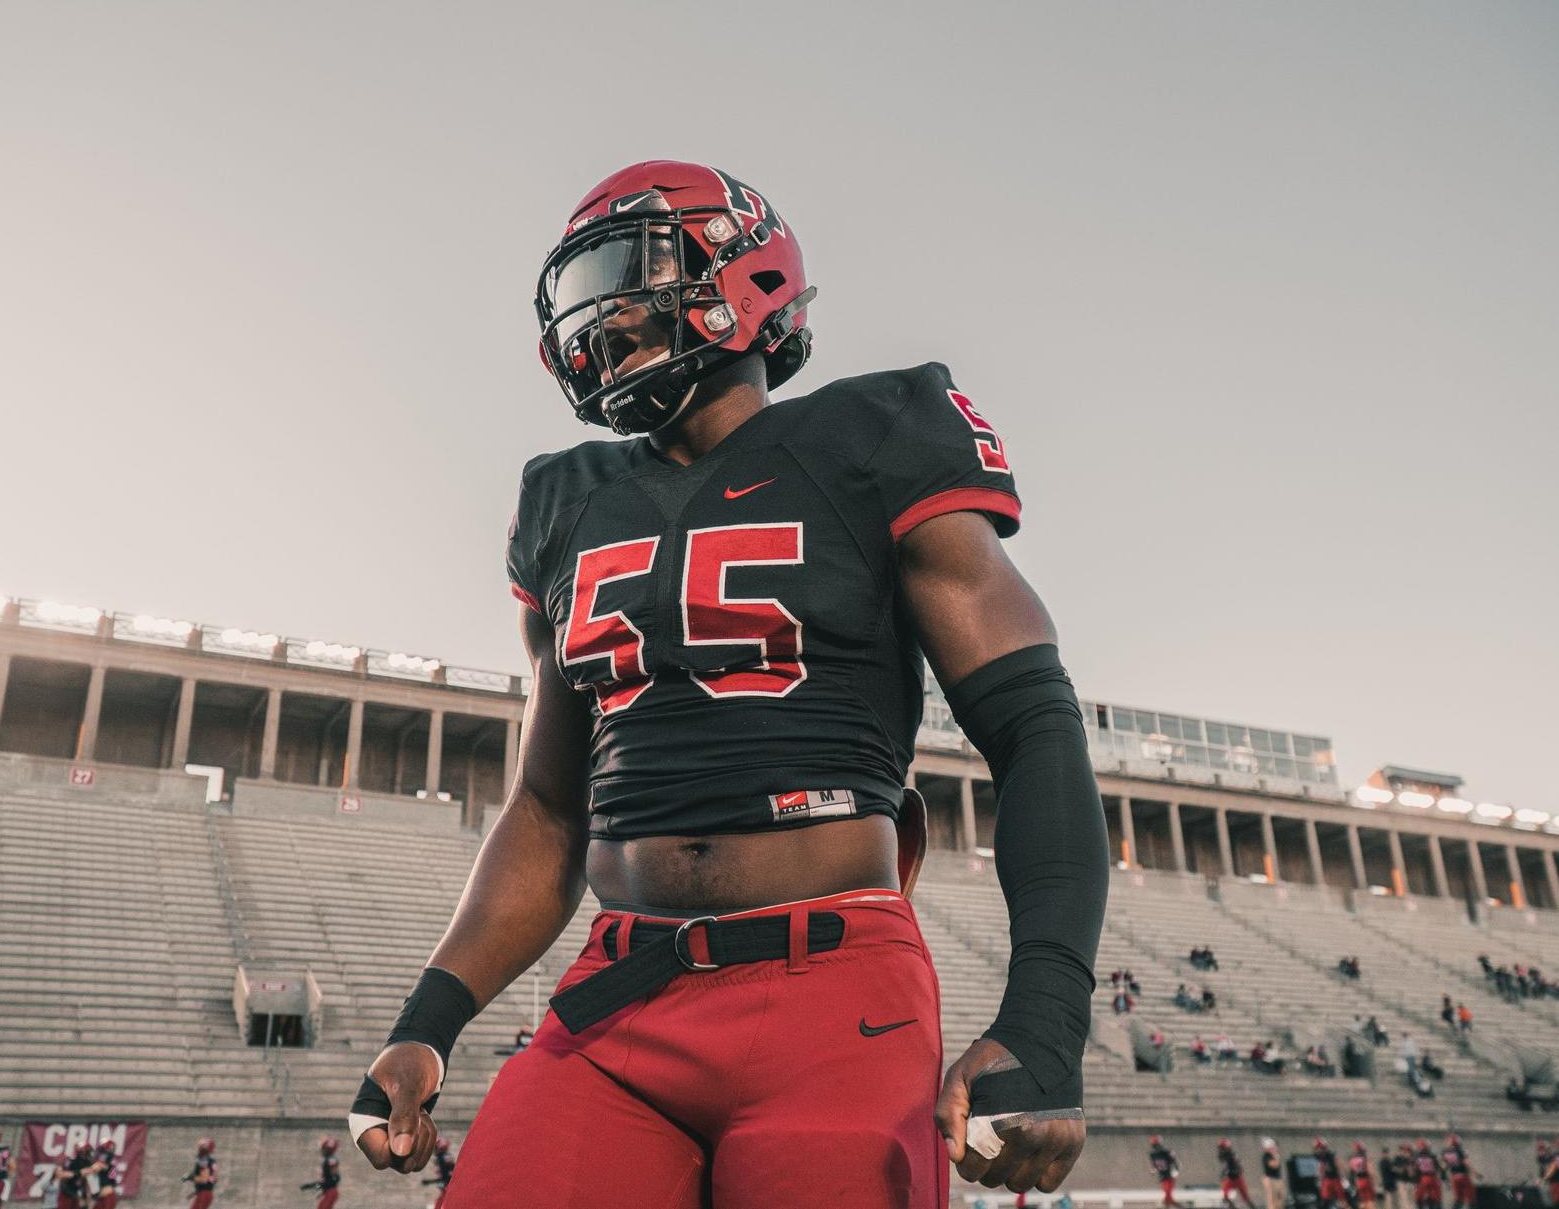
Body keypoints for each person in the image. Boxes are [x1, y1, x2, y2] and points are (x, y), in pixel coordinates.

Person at [346, 160, 1110, 1208]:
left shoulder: (876, 432)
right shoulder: (564, 501)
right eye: (578, 298)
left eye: (622, 272)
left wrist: (1045, 1019)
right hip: (618, 997)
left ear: (744, 273)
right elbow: (548, 805)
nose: (599, 319)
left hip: (832, 989)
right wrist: (426, 1024)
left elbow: (1030, 726)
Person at [300, 1137, 342, 1209]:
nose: (322, 1150)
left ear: (328, 1149)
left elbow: (334, 1178)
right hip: (329, 1191)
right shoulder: (329, 1160)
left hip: (331, 1191)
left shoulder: (331, 1160)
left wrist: (315, 1185)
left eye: (324, 1149)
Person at [86, 1137, 120, 1209]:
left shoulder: (109, 1158)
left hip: (107, 1193)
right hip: (100, 1194)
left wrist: (96, 1165)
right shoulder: (103, 1158)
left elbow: (102, 1166)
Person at [1441, 1134, 1473, 1209]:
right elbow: (1466, 1162)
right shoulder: (1461, 1151)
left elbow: (1443, 1168)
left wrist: (1444, 1179)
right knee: (1471, 1198)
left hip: (1454, 1176)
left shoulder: (1446, 1152)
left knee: (1458, 1199)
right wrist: (1475, 1173)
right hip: (1463, 1176)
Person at [184, 1138, 217, 1209]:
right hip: (208, 1193)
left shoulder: (203, 1160)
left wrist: (190, 1177)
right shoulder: (212, 1161)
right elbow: (213, 1179)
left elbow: (203, 1179)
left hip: (203, 1195)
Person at [1150, 1136, 1180, 1209]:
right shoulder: (1153, 1154)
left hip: (1169, 1175)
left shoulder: (1167, 1152)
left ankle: (1165, 1205)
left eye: (1157, 1144)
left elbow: (1175, 1161)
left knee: (1167, 1194)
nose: (1156, 1146)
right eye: (1155, 1145)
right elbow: (1155, 1164)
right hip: (1162, 1176)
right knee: (1168, 1197)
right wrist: (1154, 1169)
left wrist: (1176, 1170)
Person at [1315, 1139, 1346, 1209]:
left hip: (1335, 1179)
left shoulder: (1331, 1156)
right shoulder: (1320, 1157)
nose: (1318, 1150)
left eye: (1319, 1148)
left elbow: (1339, 1166)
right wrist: (1320, 1179)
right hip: (1327, 1180)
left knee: (1341, 1199)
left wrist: (1342, 1177)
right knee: (1325, 1200)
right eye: (1317, 1148)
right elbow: (1321, 1168)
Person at [1412, 1141, 1443, 1209]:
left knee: (1419, 1197)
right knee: (1436, 1197)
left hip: (1422, 1178)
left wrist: (1415, 1180)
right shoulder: (1433, 1156)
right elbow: (1438, 1167)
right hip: (1432, 1177)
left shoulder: (1416, 1156)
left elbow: (1415, 1169)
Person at [1221, 1139, 1252, 1208]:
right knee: (1225, 1196)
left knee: (1245, 1197)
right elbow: (1223, 1159)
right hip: (1230, 1178)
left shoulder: (1231, 1154)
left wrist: (1237, 1169)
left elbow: (1235, 1163)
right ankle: (1232, 1207)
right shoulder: (1225, 1154)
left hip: (1237, 1178)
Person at [1349, 1143, 1377, 1209]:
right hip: (1366, 1180)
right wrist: (1374, 1179)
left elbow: (1351, 1170)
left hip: (1358, 1181)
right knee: (1370, 1200)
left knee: (1363, 1201)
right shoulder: (1365, 1159)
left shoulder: (1352, 1160)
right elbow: (1370, 1171)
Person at [1261, 1139, 1284, 1209]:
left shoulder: (1273, 1156)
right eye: (1272, 1147)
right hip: (1270, 1180)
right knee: (1272, 1201)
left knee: (1279, 1201)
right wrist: (1276, 1157)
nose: (1274, 1149)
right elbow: (1274, 1165)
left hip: (1277, 1179)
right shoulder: (1266, 1156)